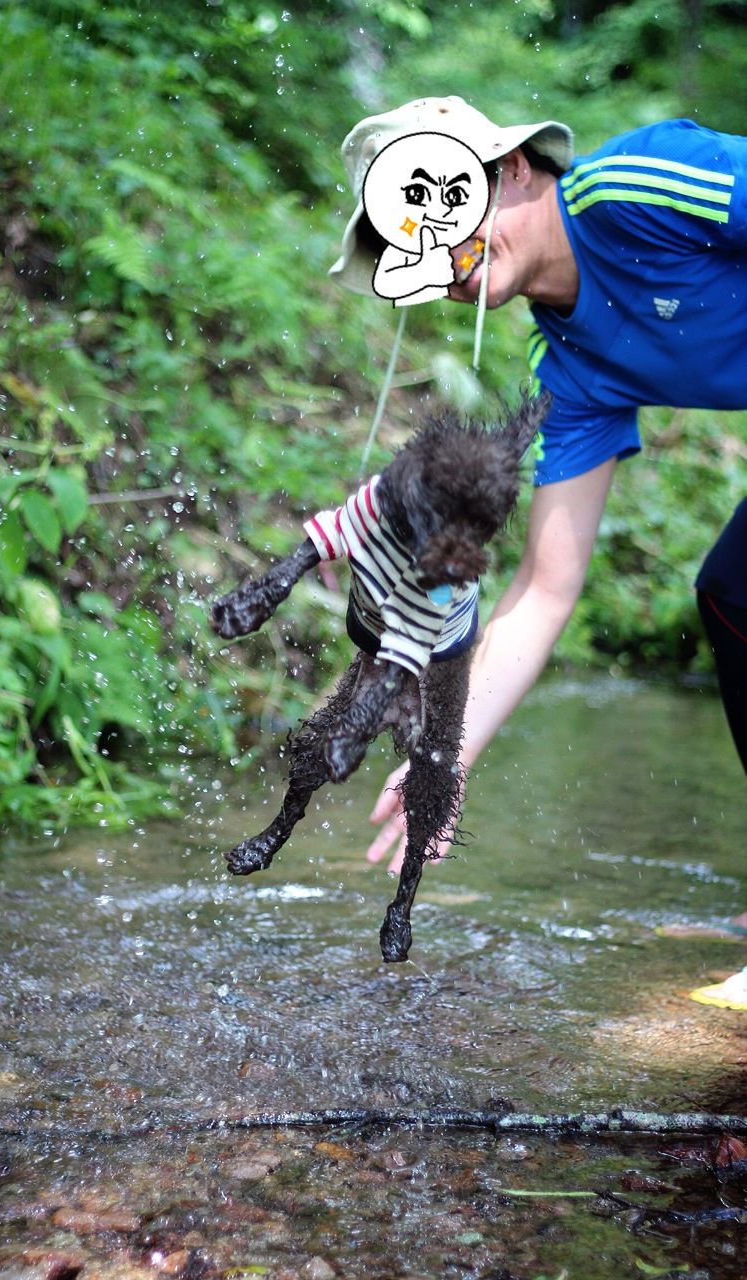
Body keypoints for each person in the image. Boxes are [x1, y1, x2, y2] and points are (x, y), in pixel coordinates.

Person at [328, 97, 747, 1007]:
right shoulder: (565, 369)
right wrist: (446, 752)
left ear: (513, 168)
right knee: (733, 597)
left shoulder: (633, 188)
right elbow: (545, 591)